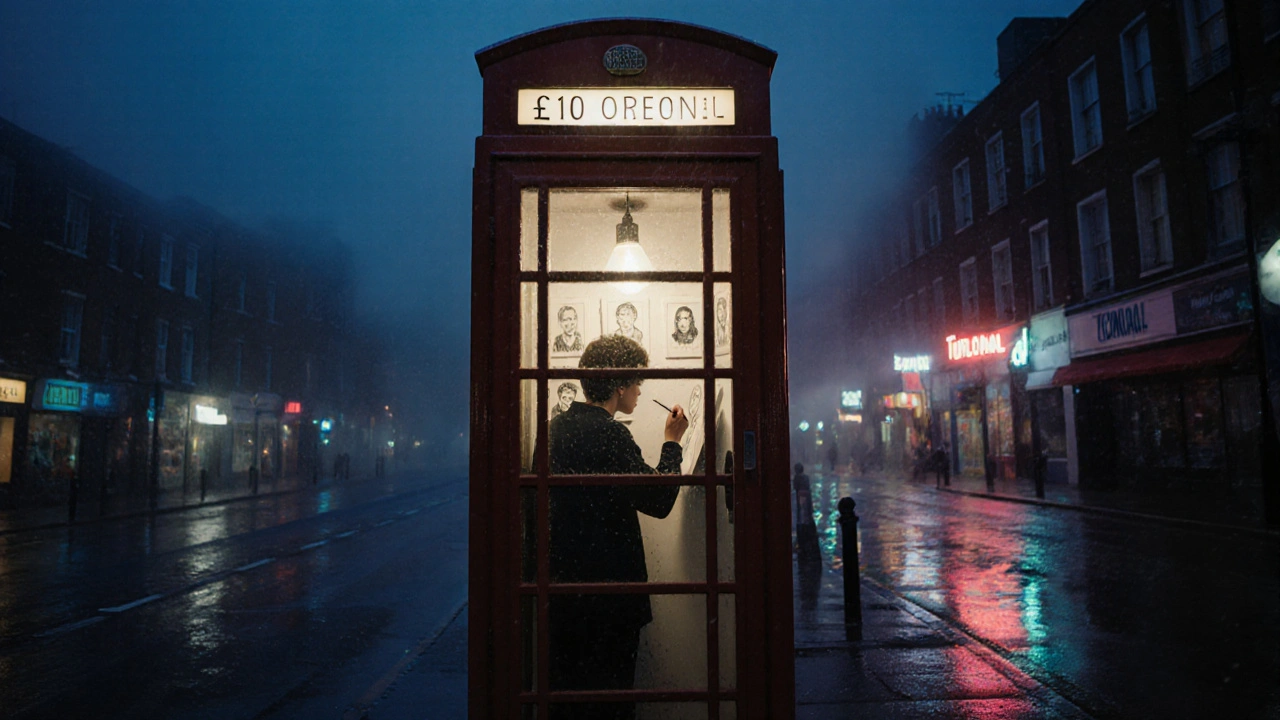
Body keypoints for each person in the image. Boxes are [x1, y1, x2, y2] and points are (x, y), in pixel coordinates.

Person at [548, 335, 688, 719]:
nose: (641, 391)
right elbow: (658, 501)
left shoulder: (554, 429)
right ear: (620, 385)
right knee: (611, 701)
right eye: (637, 381)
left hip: (563, 592)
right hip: (610, 596)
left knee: (571, 702)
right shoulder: (610, 433)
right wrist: (672, 442)